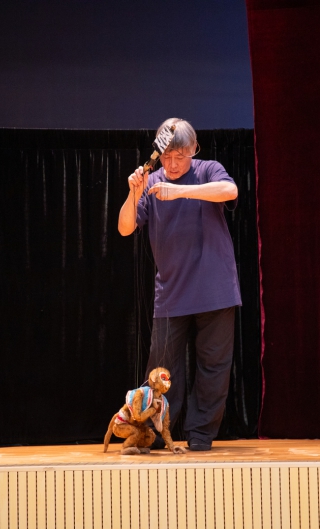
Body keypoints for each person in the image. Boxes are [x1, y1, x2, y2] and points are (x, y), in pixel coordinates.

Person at [117, 118, 241, 451]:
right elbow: (125, 228)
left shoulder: (208, 170)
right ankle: (154, 434)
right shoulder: (152, 182)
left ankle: (200, 437)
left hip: (215, 290)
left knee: (213, 367)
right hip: (171, 292)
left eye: (180, 156)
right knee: (161, 371)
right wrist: (133, 193)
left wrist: (181, 191)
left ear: (193, 150)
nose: (172, 164)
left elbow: (230, 191)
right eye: (167, 157)